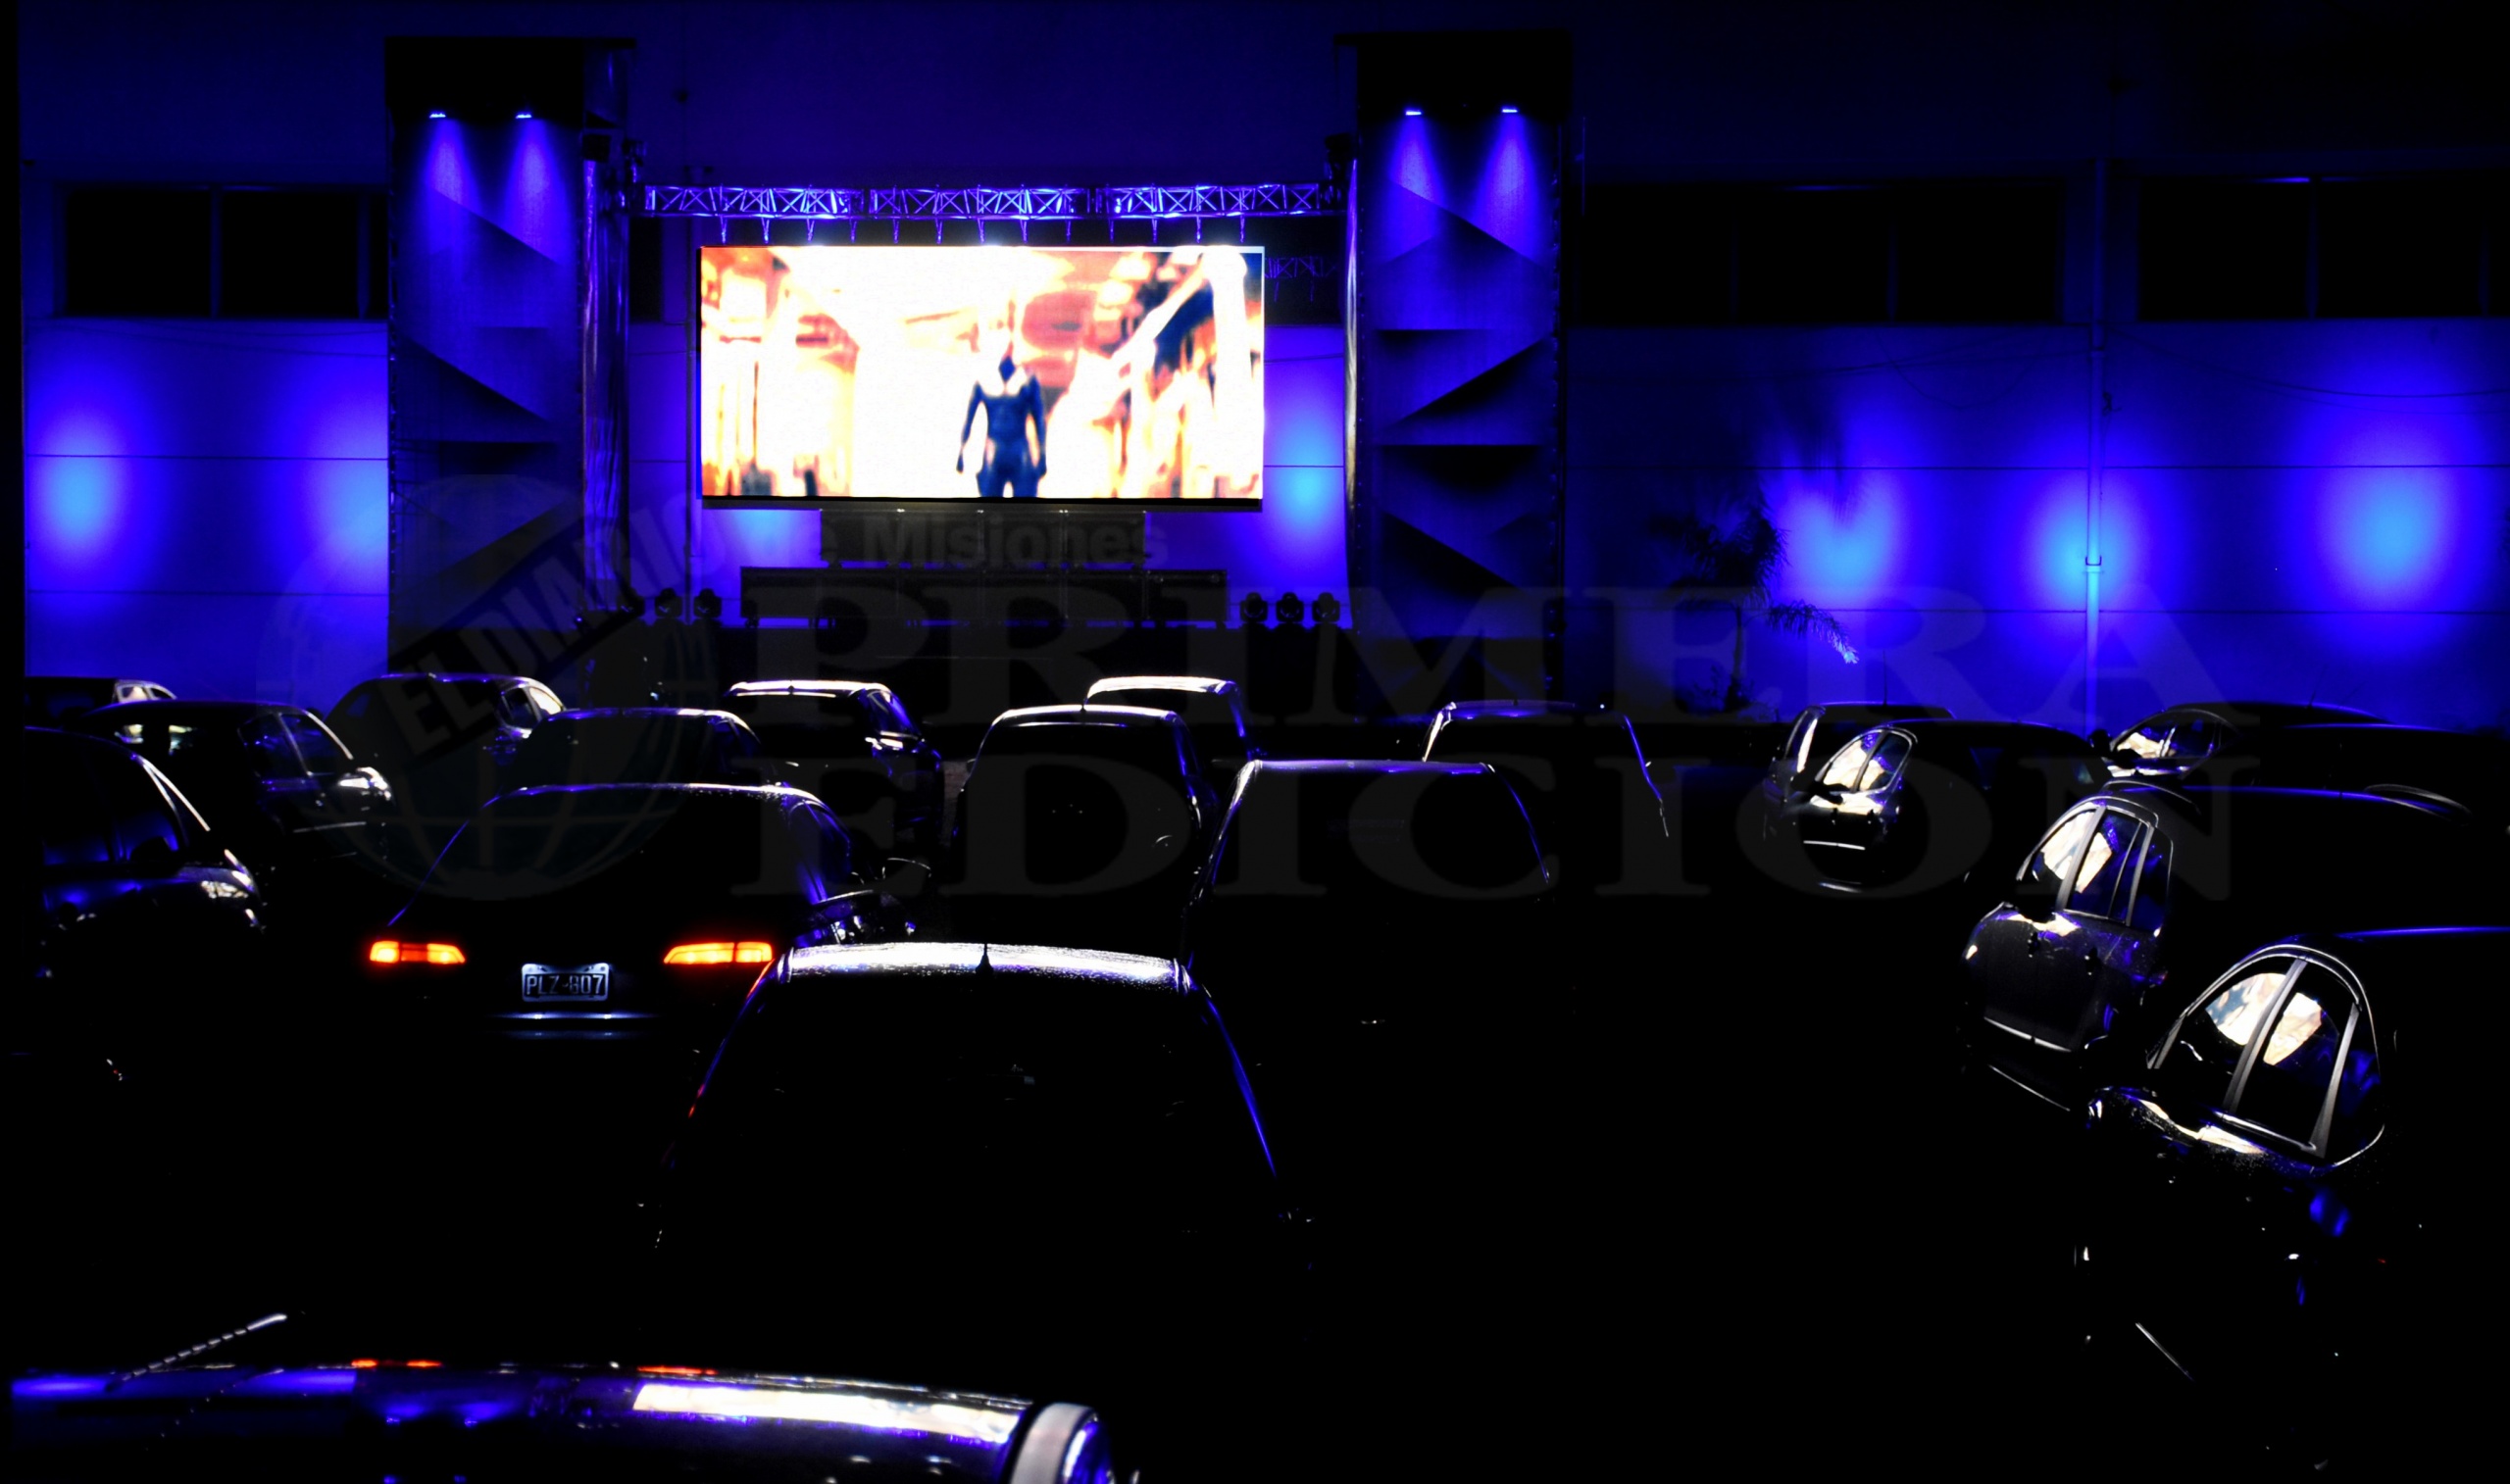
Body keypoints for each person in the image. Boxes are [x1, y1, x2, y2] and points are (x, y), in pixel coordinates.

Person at [957, 351, 1048, 500]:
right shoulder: (1027, 381)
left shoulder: (986, 382)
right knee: (1023, 507)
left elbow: (969, 420)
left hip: (997, 451)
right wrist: (1042, 456)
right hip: (1018, 451)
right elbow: (1039, 421)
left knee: (992, 507)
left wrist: (961, 453)